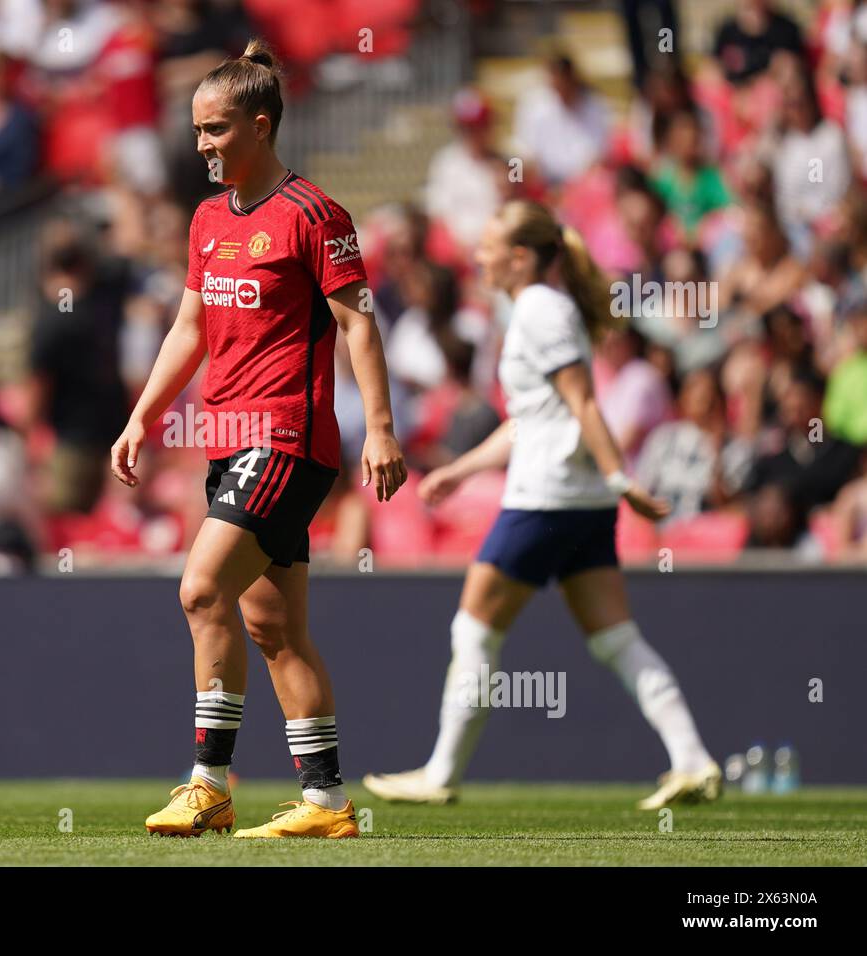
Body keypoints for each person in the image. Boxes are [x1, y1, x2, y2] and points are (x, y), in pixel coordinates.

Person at [110, 38, 406, 839]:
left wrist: (380, 429)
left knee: (200, 589)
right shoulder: (208, 219)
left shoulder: (314, 214)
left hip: (287, 437)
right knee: (276, 629)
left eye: (215, 130)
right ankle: (327, 802)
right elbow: (190, 326)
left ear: (261, 124)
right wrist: (143, 414)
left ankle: (208, 783)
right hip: (227, 440)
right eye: (197, 130)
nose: (201, 145)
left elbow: (359, 325)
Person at [363, 199, 722, 811]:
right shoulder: (540, 310)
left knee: (472, 627)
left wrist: (620, 477)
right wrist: (461, 468)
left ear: (521, 257)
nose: (478, 255)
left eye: (490, 245)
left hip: (547, 499)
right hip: (577, 501)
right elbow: (533, 418)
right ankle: (692, 759)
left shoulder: (537, 311)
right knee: (615, 639)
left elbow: (584, 404)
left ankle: (440, 773)